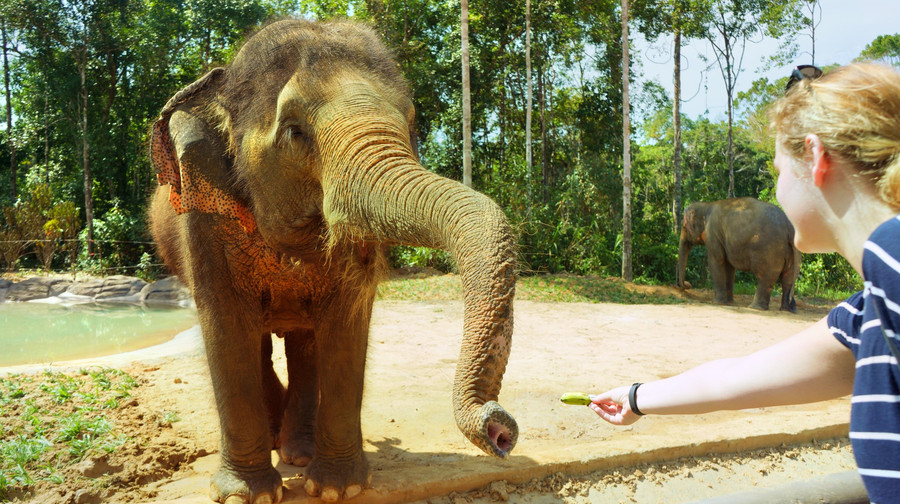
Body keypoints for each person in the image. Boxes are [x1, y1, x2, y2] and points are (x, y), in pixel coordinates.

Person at [589, 62, 900, 502]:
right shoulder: (868, 314)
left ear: (815, 157)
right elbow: (732, 378)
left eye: (777, 170)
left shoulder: (893, 257)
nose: (776, 188)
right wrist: (637, 398)